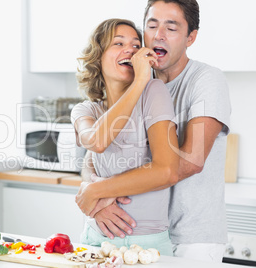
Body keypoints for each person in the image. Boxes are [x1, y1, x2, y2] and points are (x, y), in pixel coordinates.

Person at [75, 0, 231, 263]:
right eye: (152, 25)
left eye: (171, 28)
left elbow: (189, 162)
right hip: (131, 229)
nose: (158, 35)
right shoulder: (138, 84)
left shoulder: (206, 80)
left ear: (190, 37)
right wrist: (94, 192)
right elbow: (95, 156)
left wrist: (101, 193)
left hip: (191, 235)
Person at [70, 18, 179, 256]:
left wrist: (95, 193)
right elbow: (97, 143)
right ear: (98, 57)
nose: (130, 49)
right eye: (118, 43)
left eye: (136, 44)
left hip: (148, 246)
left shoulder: (153, 92)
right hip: (96, 240)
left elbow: (167, 171)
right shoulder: (86, 110)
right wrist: (95, 200)